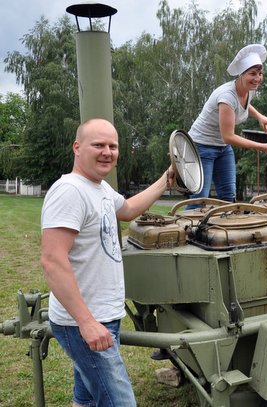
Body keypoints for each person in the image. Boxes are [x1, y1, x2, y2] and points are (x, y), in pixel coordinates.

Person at [40, 118, 175, 406]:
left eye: (113, 146)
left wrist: (166, 179)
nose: (107, 152)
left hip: (101, 318)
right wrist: (87, 323)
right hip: (84, 323)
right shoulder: (70, 191)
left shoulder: (99, 188)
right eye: (98, 145)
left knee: (87, 398)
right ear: (77, 147)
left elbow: (127, 209)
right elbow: (52, 260)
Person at [188, 43, 267, 203]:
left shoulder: (248, 90)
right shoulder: (227, 97)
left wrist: (259, 116)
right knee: (199, 200)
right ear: (241, 75)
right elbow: (228, 137)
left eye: (260, 73)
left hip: (222, 149)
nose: (257, 78)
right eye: (252, 74)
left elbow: (243, 105)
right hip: (201, 146)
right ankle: (190, 228)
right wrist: (261, 147)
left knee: (228, 197)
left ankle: (225, 228)